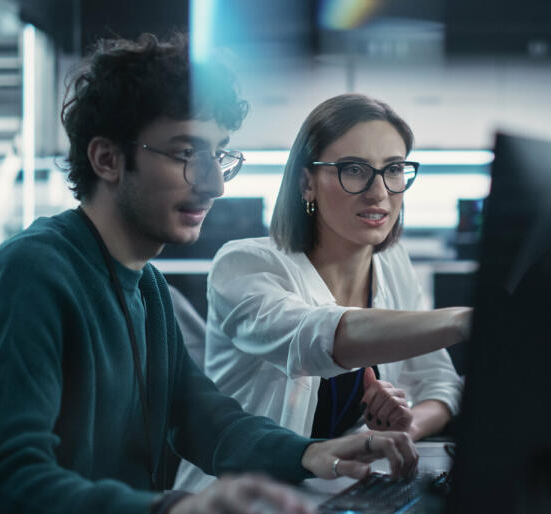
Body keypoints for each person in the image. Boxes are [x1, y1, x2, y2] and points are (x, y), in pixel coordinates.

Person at [0, 35, 417, 514]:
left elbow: (203, 420)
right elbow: (8, 481)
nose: (215, 183)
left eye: (218, 154)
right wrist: (178, 506)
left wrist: (311, 453)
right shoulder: (32, 276)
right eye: (185, 154)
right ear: (108, 159)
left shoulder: (146, 287)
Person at [174, 93, 468, 492]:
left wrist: (398, 430)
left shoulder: (393, 263)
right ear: (306, 182)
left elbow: (440, 383)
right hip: (232, 499)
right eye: (353, 169)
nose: (378, 192)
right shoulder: (243, 265)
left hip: (323, 492)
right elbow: (316, 337)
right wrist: (462, 321)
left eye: (394, 169)